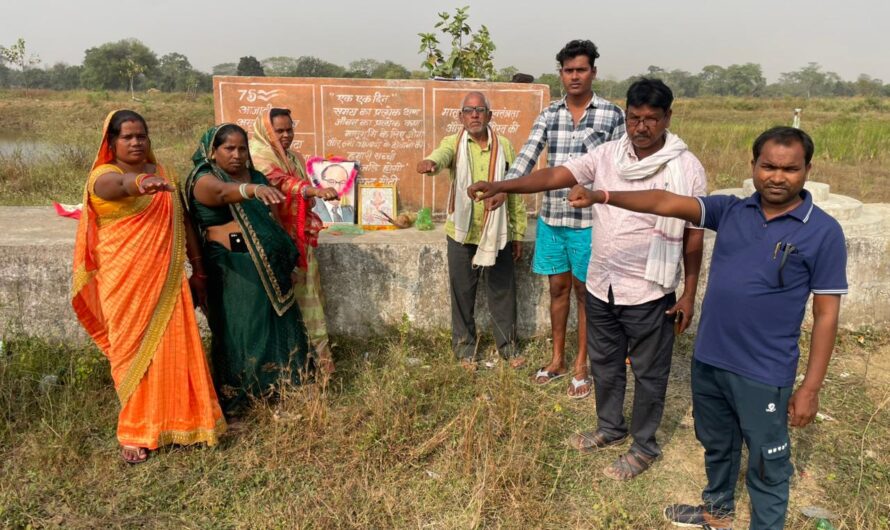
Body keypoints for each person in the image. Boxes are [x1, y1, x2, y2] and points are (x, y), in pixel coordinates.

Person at [565, 127, 847, 529]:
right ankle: (717, 511)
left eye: (790, 168)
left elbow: (826, 315)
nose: (777, 177)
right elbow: (664, 201)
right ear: (753, 166)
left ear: (807, 170)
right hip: (711, 359)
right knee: (717, 443)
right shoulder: (731, 210)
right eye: (767, 166)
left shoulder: (823, 231)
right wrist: (602, 195)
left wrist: (810, 388)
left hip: (765, 371)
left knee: (768, 460)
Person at [470, 79, 706, 479]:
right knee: (606, 362)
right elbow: (556, 175)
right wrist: (503, 186)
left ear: (667, 117)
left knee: (649, 373)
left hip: (650, 288)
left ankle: (644, 445)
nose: (641, 127)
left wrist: (689, 292)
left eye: (651, 119)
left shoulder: (685, 168)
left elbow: (694, 232)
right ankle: (610, 427)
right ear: (627, 116)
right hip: (602, 282)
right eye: (634, 118)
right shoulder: (608, 154)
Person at [72, 110, 225, 464]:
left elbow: (184, 220)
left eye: (141, 135)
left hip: (166, 282)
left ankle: (190, 421)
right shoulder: (103, 176)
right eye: (127, 136)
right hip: (125, 284)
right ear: (111, 142)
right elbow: (118, 187)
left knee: (175, 347)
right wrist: (139, 184)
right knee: (131, 353)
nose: (136, 142)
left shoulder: (165, 174)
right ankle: (135, 431)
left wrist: (199, 268)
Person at [505, 39, 625, 398]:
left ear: (593, 72)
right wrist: (504, 186)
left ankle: (581, 364)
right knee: (557, 288)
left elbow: (619, 168)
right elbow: (528, 155)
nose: (575, 76)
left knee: (586, 293)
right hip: (552, 217)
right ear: (560, 74)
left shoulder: (611, 115)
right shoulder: (550, 114)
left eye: (581, 69)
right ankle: (557, 359)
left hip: (591, 221)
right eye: (569, 70)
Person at [184, 123, 309, 416]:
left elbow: (272, 221)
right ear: (212, 152)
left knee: (274, 325)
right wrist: (250, 190)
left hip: (269, 266)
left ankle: (277, 390)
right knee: (244, 328)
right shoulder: (205, 178)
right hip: (232, 266)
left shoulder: (256, 176)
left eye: (242, 148)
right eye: (228, 148)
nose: (237, 154)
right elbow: (223, 194)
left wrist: (283, 257)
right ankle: (239, 397)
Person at [417, 91, 526, 369]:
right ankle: (465, 349)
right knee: (462, 293)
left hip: (497, 231)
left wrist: (518, 233)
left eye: (480, 110)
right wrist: (431, 164)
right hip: (462, 233)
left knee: (502, 292)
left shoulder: (504, 146)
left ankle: (508, 348)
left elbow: (515, 191)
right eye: (468, 110)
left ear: (489, 116)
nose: (474, 115)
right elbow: (440, 156)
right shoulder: (452, 143)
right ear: (461, 117)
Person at [250, 108, 339, 374]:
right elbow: (278, 181)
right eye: (279, 131)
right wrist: (314, 190)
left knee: (308, 297)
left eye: (289, 129)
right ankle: (288, 366)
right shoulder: (258, 154)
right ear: (267, 132)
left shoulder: (292, 156)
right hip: (274, 240)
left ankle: (316, 363)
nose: (286, 135)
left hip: (298, 236)